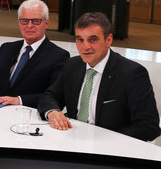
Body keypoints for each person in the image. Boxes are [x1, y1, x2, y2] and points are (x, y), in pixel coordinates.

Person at [38, 12, 160, 141]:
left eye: (93, 40)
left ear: (108, 40)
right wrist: (51, 112)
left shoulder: (132, 73)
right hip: (72, 139)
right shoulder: (72, 65)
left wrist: (103, 140)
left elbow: (149, 127)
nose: (85, 47)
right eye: (80, 40)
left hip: (110, 149)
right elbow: (50, 95)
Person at [0, 0, 69, 108]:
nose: (29, 26)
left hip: (28, 115)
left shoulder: (59, 56)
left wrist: (19, 100)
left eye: (36, 21)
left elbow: (56, 97)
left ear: (46, 23)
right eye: (25, 21)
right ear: (19, 22)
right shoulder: (7, 48)